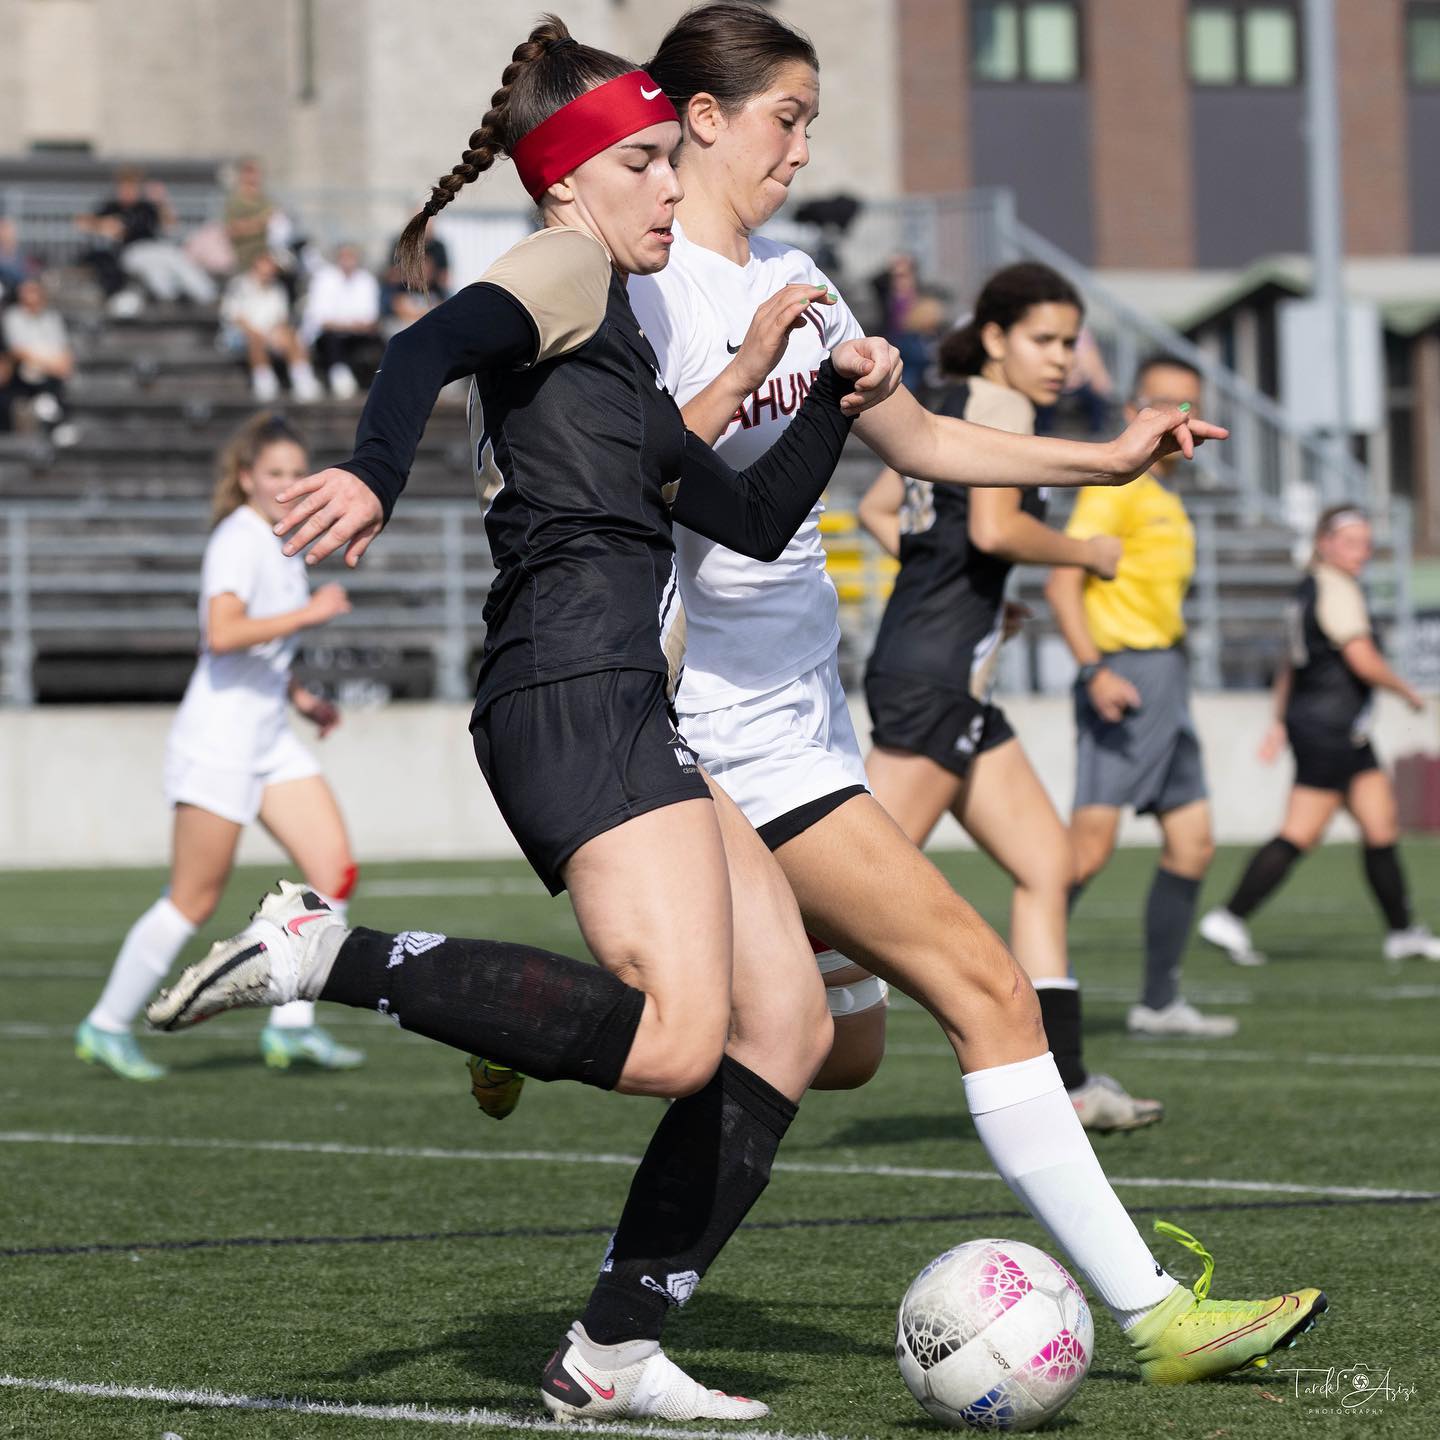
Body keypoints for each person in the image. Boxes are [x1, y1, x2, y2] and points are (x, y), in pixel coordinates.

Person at [512, 0, 1308, 1400]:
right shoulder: (634, 291)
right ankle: (1154, 1315)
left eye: (812, 120)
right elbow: (632, 473)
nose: (802, 148)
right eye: (786, 117)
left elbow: (930, 436)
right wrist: (759, 367)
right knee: (987, 986)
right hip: (723, 733)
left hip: (810, 713)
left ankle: (557, 1023)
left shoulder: (805, 271)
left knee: (841, 1049)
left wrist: (1113, 457)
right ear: (698, 119)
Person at [148, 17, 904, 1423]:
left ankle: (610, 1355)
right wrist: (375, 474)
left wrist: (839, 406)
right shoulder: (561, 269)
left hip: (614, 695)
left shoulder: (611, 341)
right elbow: (427, 341)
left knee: (785, 1024)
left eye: (675, 161)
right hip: (570, 691)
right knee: (684, 1042)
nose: (674, 186)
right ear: (569, 183)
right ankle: (336, 952)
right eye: (646, 163)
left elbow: (741, 519)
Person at [857, 262, 1159, 1132]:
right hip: (935, 677)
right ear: (996, 339)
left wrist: (970, 589)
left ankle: (1064, 1083)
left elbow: (887, 510)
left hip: (944, 671)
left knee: (1047, 866)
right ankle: (652, 1005)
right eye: (1045, 340)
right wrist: (1083, 556)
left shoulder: (944, 401)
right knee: (836, 903)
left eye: (1071, 342)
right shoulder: (1006, 408)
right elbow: (993, 527)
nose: (1062, 359)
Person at [77, 413, 363, 1081]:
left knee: (334, 871)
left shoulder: (277, 537)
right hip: (220, 741)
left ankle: (292, 1028)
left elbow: (264, 647)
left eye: (298, 473)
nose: (288, 485)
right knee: (193, 898)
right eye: (275, 474)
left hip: (267, 734)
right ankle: (106, 1023)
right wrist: (311, 613)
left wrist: (302, 699)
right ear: (246, 479)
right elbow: (224, 632)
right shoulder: (238, 537)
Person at [1044, 353, 1235, 1038]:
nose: (1187, 421)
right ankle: (1005, 984)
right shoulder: (1115, 490)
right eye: (1171, 406)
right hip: (1121, 677)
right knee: (1087, 852)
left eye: (1194, 407)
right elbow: (1062, 583)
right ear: (1134, 413)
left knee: (1194, 842)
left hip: (1167, 677)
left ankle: (1159, 1002)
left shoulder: (1164, 492)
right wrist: (1096, 670)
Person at [1200, 505, 1440, 965]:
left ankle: (1402, 931)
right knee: (1301, 832)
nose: (1361, 553)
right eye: (1351, 543)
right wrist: (1405, 689)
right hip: (1329, 731)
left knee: (1380, 823)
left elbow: (1290, 666)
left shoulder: (1307, 589)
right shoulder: (1335, 587)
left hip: (1339, 730)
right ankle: (1229, 916)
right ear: (1325, 543)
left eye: (1367, 544)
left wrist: (1277, 721)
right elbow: (1360, 656)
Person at [74, 169, 217, 314]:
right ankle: (207, 295)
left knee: (159, 267)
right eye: (125, 187)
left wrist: (162, 202)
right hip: (130, 253)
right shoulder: (112, 206)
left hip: (153, 249)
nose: (128, 191)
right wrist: (104, 224)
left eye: (132, 187)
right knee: (171, 256)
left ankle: (171, 300)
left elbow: (170, 225)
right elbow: (81, 222)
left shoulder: (146, 207)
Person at [220, 251, 322, 402]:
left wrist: (275, 332)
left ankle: (302, 378)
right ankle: (264, 381)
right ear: (257, 264)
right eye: (268, 265)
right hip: (238, 335)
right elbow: (234, 316)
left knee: (289, 335)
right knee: (255, 338)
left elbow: (280, 318)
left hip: (269, 332)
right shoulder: (239, 285)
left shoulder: (277, 289)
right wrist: (258, 333)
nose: (272, 270)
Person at [2, 275, 78, 447]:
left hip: (52, 372)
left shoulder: (52, 318)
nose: (28, 295)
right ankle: (52, 413)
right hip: (27, 373)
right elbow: (19, 351)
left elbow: (64, 352)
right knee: (32, 371)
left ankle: (47, 405)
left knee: (52, 382)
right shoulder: (13, 317)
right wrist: (49, 364)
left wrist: (58, 365)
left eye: (32, 291)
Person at [300, 243, 381, 398]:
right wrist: (350, 325)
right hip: (329, 335)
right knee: (333, 339)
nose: (348, 260)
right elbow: (322, 319)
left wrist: (350, 326)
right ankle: (340, 378)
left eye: (351, 256)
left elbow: (371, 318)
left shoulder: (366, 280)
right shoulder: (323, 278)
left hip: (357, 334)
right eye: (344, 256)